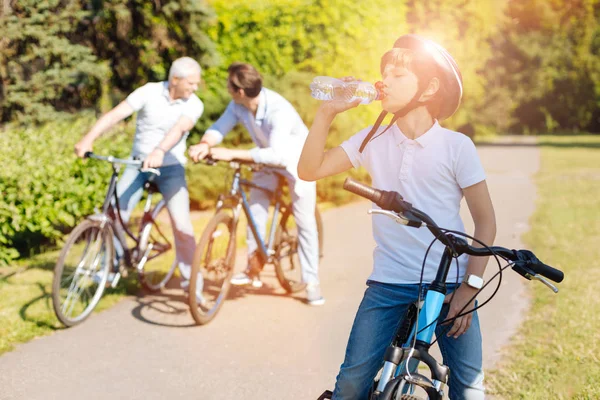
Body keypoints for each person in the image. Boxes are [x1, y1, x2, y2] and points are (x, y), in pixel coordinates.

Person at [297, 34, 497, 399]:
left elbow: (485, 221)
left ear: (428, 88)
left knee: (469, 387)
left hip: (449, 283)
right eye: (383, 73)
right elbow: (309, 170)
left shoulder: (456, 146)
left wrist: (469, 289)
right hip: (389, 282)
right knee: (353, 382)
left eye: (398, 75)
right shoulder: (373, 139)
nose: (383, 81)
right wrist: (327, 112)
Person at [186, 62, 324, 306]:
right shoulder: (238, 105)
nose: (226, 87)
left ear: (239, 91)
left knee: (304, 221)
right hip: (266, 159)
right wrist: (206, 144)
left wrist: (230, 153)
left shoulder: (277, 110)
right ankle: (253, 267)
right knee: (255, 209)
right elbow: (219, 127)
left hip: (297, 162)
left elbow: (278, 154)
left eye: (229, 84)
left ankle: (311, 282)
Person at [74, 56, 204, 292]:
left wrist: (159, 150)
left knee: (182, 224)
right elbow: (116, 115)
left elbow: (179, 129)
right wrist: (88, 139)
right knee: (114, 214)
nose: (195, 88)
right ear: (175, 79)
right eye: (191, 83)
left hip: (170, 168)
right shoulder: (149, 92)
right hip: (137, 164)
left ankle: (193, 283)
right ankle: (110, 267)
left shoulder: (194, 104)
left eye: (196, 84)